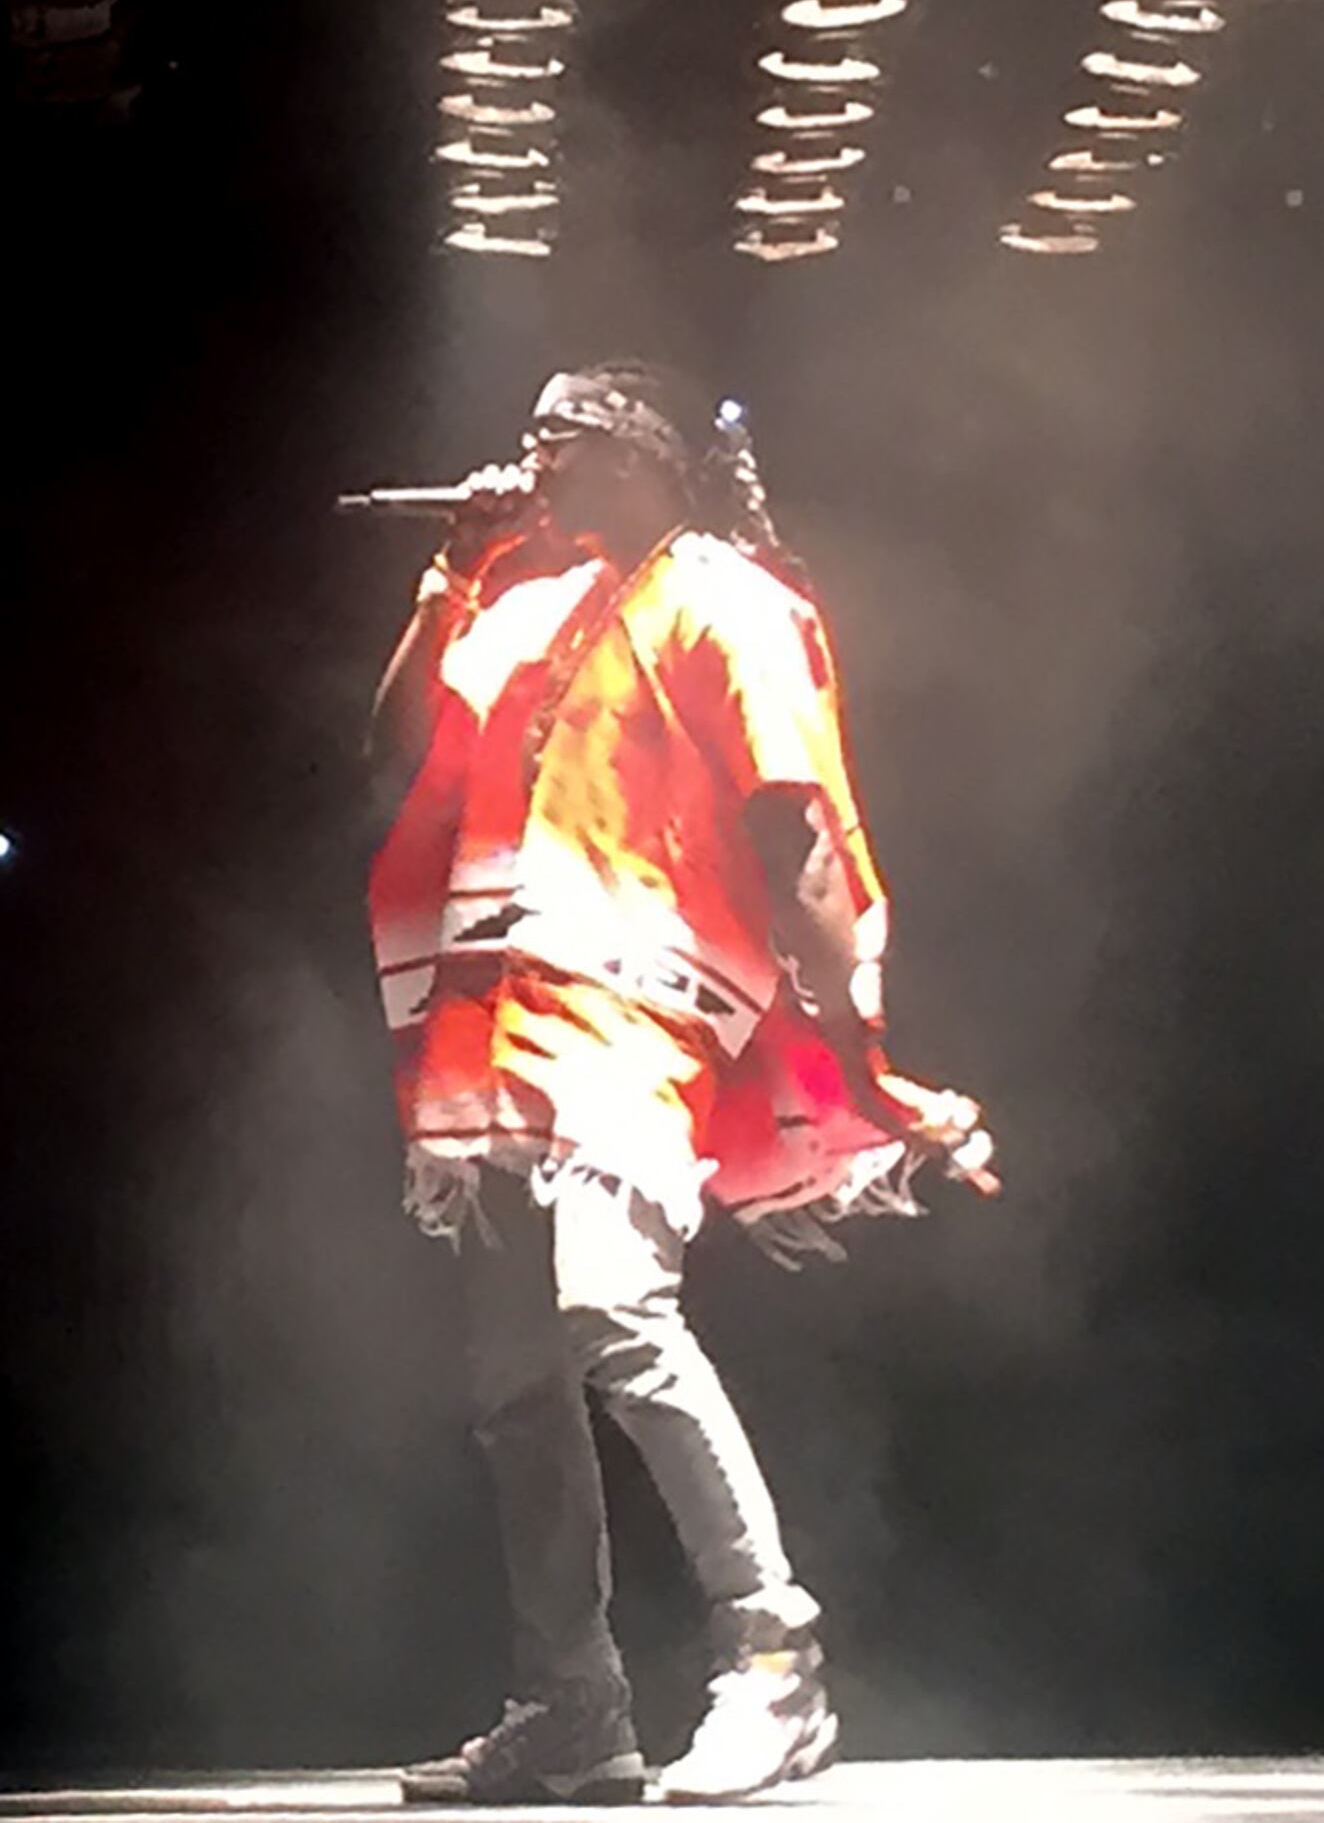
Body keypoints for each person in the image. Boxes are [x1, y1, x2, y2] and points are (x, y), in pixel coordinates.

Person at [363, 363, 995, 1805]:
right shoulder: (530, 602)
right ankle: (571, 1706)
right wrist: (444, 575)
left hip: (634, 1016)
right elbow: (397, 752)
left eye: (560, 443)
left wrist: (859, 1031)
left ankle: (775, 1666)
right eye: (526, 443)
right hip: (512, 1026)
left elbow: (798, 814)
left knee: (614, 1314)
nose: (531, 467)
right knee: (520, 1387)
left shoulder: (719, 593)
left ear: (640, 460)